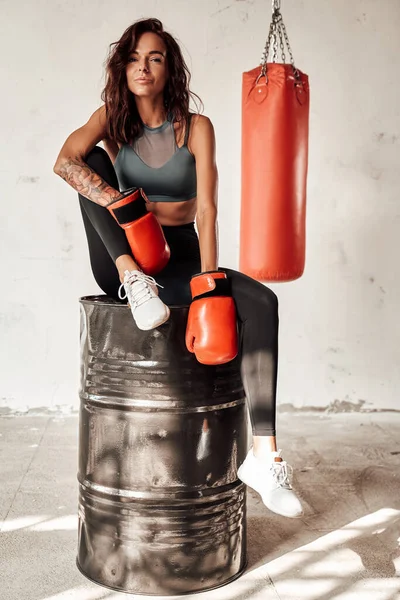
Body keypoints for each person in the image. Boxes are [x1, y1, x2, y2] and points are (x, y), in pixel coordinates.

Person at [53, 17, 302, 519]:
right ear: (122, 67)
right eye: (134, 58)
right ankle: (131, 278)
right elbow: (65, 162)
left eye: (155, 58)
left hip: (180, 255)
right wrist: (127, 206)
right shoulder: (110, 120)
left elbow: (204, 210)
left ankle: (264, 454)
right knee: (89, 169)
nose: (143, 67)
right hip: (123, 257)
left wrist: (209, 283)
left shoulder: (196, 127)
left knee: (263, 301)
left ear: (171, 69)